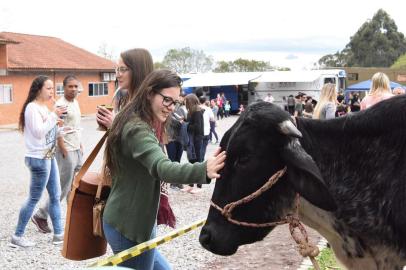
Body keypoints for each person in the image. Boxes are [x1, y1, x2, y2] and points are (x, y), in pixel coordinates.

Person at [102, 70, 226, 269]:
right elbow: (162, 167)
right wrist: (202, 170)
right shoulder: (137, 129)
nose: (171, 108)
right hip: (129, 227)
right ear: (150, 93)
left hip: (134, 222)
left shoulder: (137, 119)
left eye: (176, 102)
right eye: (167, 100)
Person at [11, 75, 66, 248]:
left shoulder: (43, 108)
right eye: (49, 88)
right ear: (38, 89)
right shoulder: (32, 108)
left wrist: (61, 130)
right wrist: (53, 115)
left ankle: (59, 235)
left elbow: (48, 133)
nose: (52, 91)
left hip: (48, 156)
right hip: (38, 159)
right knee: (34, 198)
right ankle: (17, 236)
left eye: (53, 88)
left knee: (55, 196)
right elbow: (38, 132)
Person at [31, 75, 83, 234]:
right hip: (65, 149)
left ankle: (72, 218)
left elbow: (74, 125)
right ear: (64, 87)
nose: (73, 89)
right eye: (70, 86)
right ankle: (41, 215)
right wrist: (63, 147)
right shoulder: (61, 105)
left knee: (73, 187)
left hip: (76, 148)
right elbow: (55, 127)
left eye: (76, 86)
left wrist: (80, 144)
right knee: (63, 187)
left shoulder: (75, 102)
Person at [96, 48, 154, 129]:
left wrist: (113, 125)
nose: (117, 75)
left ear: (137, 71)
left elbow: (136, 138)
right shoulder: (128, 99)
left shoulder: (147, 106)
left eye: (122, 69)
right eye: (117, 69)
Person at [183, 94, 205, 194]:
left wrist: (186, 125)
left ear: (190, 101)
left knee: (198, 161)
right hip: (192, 139)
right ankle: (191, 185)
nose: (185, 103)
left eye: (186, 101)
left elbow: (198, 128)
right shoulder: (191, 111)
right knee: (191, 161)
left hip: (197, 140)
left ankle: (199, 186)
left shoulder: (197, 112)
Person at [166, 94, 187, 190]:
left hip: (180, 138)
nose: (180, 100)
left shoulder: (182, 109)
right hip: (170, 138)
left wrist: (182, 120)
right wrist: (180, 120)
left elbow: (185, 120)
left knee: (178, 160)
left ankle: (178, 181)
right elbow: (173, 122)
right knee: (172, 160)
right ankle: (173, 182)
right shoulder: (168, 110)